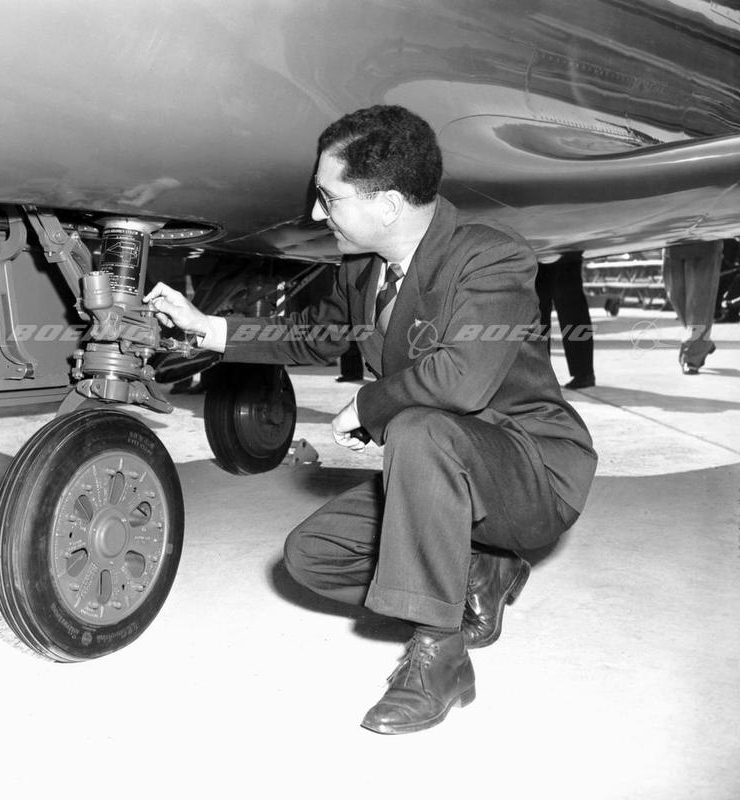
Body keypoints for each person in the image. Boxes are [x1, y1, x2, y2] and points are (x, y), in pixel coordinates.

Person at [145, 105, 597, 735]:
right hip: (442, 471)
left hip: (531, 472)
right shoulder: (363, 268)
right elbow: (315, 335)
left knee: (418, 426)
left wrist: (368, 405)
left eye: (328, 198)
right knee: (310, 558)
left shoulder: (491, 257)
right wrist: (208, 328)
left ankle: (440, 657)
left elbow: (462, 379)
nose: (315, 214)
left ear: (386, 206)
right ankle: (480, 565)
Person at [535, 251, 595, 389]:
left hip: (559, 250)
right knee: (542, 309)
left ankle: (583, 373)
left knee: (568, 307)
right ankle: (541, 372)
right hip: (551, 251)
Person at [662, 241, 723, 374]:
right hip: (673, 241)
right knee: (675, 295)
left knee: (699, 303)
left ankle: (692, 357)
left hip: (705, 241)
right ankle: (702, 342)